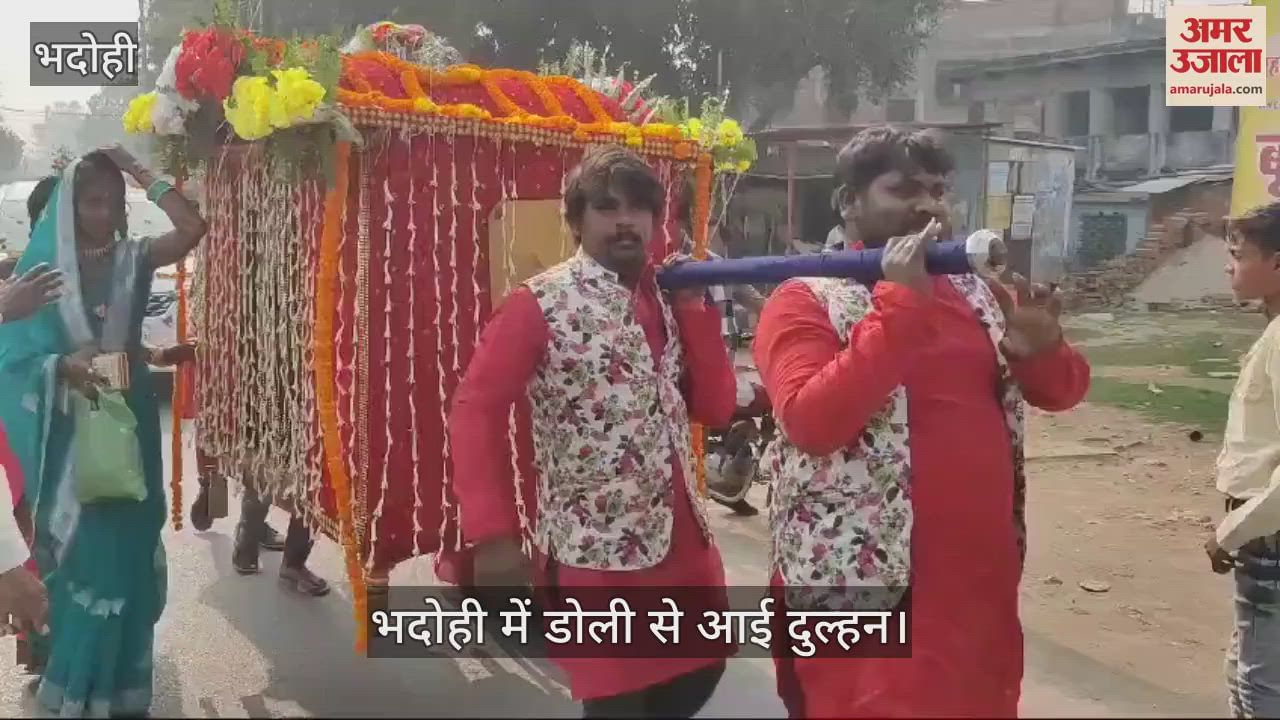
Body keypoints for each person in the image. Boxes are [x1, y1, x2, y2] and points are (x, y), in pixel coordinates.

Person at [752, 126, 1091, 718]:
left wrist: (1044, 347)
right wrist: (902, 305)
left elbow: (1062, 392)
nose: (929, 206)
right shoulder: (805, 298)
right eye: (904, 189)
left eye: (938, 190)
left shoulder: (981, 294)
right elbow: (810, 421)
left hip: (974, 589)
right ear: (849, 202)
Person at [449, 145, 737, 718]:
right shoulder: (538, 303)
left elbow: (717, 406)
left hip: (684, 543)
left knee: (701, 674)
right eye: (606, 208)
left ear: (657, 222)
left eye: (638, 208)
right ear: (577, 222)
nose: (625, 221)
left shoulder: (669, 292)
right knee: (619, 706)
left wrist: (694, 309)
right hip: (597, 553)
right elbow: (474, 410)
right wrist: (495, 535)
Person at [0, 146, 207, 717]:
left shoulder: (135, 257)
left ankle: (119, 685)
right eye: (91, 201)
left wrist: (141, 169)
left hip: (130, 423)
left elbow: (193, 228)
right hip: (67, 433)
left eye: (113, 202)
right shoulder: (41, 271)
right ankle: (72, 683)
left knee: (128, 549)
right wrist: (62, 367)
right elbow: (14, 352)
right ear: (70, 204)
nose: (102, 212)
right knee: (81, 556)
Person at [145, 342, 328, 596]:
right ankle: (251, 540)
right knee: (269, 474)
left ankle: (266, 546)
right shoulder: (224, 330)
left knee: (301, 481)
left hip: (289, 398)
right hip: (251, 406)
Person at [1206, 202, 1280, 718]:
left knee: (1260, 690)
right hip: (1261, 534)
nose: (1229, 266)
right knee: (1244, 676)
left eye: (1238, 254)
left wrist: (1231, 532)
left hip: (1268, 537)